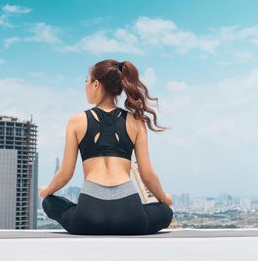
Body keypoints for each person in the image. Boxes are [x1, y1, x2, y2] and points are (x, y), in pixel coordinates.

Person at [40, 59, 173, 235]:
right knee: (165, 212)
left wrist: (46, 191)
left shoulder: (76, 121)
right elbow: (147, 175)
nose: (85, 86)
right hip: (131, 217)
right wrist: (164, 198)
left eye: (86, 81)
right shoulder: (136, 123)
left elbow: (65, 174)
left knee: (49, 203)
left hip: (87, 218)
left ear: (96, 84)